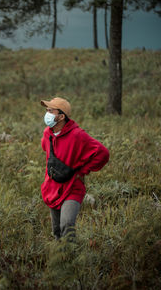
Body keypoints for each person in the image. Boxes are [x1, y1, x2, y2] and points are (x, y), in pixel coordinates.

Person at [40, 97, 109, 241]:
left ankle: (71, 256)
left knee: (67, 226)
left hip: (73, 187)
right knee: (57, 231)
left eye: (50, 110)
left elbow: (102, 153)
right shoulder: (47, 133)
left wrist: (83, 170)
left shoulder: (77, 135)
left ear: (61, 116)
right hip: (53, 187)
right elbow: (45, 149)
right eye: (47, 110)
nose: (47, 113)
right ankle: (61, 260)